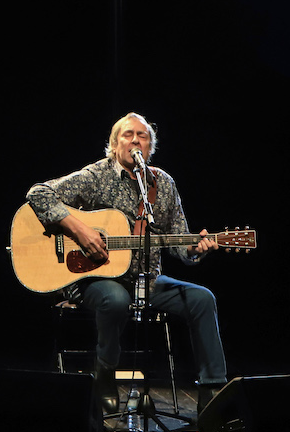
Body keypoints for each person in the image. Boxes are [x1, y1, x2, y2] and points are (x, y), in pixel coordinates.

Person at [26, 112, 227, 415]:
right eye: (128, 134)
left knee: (202, 298)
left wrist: (197, 248)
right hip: (94, 280)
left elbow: (180, 244)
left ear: (150, 146)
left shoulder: (163, 184)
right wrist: (81, 231)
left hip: (148, 281)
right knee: (116, 299)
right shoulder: (97, 176)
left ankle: (213, 393)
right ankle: (105, 371)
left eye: (142, 136)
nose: (135, 140)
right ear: (114, 143)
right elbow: (38, 193)